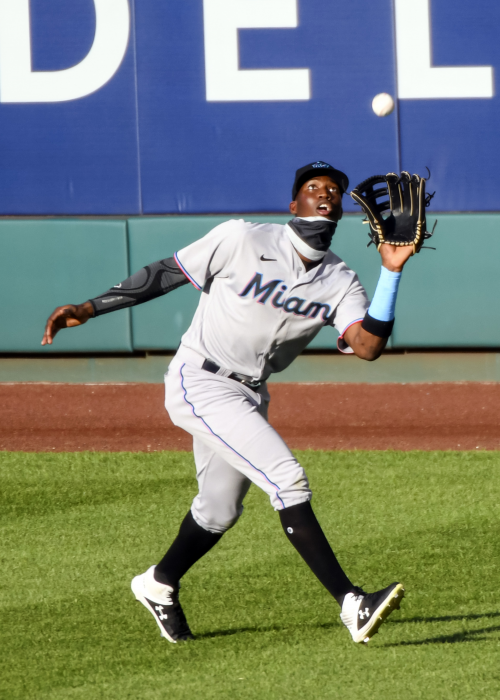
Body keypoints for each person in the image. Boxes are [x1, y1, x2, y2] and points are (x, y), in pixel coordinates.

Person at [42, 161, 409, 645]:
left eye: (334, 190)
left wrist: (390, 272)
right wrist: (90, 308)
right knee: (287, 479)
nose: (325, 193)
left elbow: (367, 346)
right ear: (294, 203)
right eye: (313, 187)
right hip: (200, 380)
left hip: (251, 393)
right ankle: (351, 602)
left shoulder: (340, 280)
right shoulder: (242, 238)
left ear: (340, 208)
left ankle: (158, 583)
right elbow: (166, 274)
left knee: (218, 510)